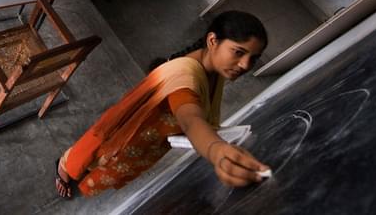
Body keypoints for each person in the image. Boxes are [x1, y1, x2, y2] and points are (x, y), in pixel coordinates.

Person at [54, 10, 270, 198]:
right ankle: (63, 171)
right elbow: (191, 120)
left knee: (108, 171)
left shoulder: (216, 73)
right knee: (90, 159)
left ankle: (77, 174)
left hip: (149, 142)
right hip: (126, 138)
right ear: (213, 41)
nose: (245, 65)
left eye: (253, 58)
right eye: (239, 52)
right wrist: (216, 150)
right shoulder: (185, 76)